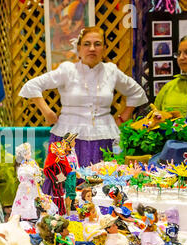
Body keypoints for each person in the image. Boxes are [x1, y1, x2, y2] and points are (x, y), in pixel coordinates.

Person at [19, 26, 148, 169]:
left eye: (97, 44)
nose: (92, 48)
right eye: (87, 44)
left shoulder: (111, 71)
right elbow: (32, 86)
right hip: (67, 140)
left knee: (103, 184)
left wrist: (124, 116)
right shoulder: (67, 70)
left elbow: (137, 92)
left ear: (104, 48)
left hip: (104, 138)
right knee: (66, 184)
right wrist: (47, 111)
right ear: (79, 48)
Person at [155, 34, 187, 124]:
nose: (181, 58)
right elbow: (154, 119)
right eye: (179, 54)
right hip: (177, 137)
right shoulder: (169, 87)